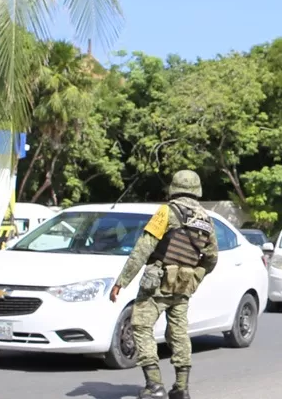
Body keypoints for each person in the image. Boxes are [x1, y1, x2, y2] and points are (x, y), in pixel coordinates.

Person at [109, 170, 219, 399]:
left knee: (140, 326)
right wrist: (193, 276)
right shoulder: (207, 220)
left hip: (156, 285)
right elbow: (211, 258)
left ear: (174, 188)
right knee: (179, 332)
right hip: (183, 287)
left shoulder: (166, 212)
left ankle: (154, 385)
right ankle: (181, 387)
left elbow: (143, 248)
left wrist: (122, 281)